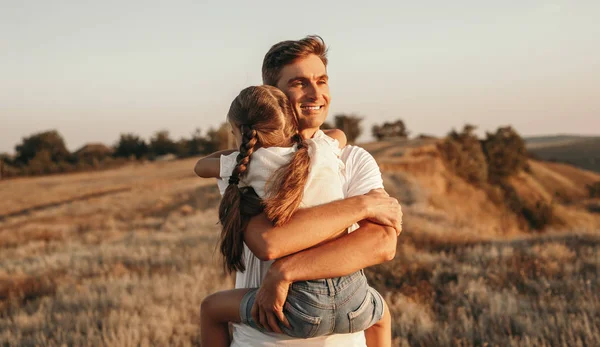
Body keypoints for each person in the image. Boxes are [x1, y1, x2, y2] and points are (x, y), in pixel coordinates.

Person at [196, 35, 403, 346]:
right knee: (379, 312)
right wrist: (363, 205)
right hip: (265, 340)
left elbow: (382, 244)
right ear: (273, 95)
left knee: (212, 309)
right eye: (300, 83)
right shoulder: (245, 165)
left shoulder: (352, 159)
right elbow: (270, 241)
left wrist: (286, 272)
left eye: (321, 80)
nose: (316, 92)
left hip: (333, 334)